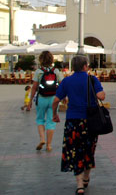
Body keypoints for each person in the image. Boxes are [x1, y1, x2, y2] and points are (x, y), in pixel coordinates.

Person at [51, 55, 105, 194]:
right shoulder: (92, 79)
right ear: (85, 66)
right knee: (89, 149)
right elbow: (101, 96)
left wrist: (55, 115)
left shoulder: (67, 81)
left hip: (73, 121)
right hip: (90, 121)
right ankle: (86, 177)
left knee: (75, 151)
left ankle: (80, 184)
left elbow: (56, 100)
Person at [28, 51, 63, 152]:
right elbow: (62, 85)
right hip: (53, 99)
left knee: (40, 119)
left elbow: (34, 87)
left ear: (41, 60)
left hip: (41, 98)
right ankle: (49, 145)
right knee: (51, 122)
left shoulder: (38, 72)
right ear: (52, 59)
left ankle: (42, 139)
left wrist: (30, 101)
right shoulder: (56, 71)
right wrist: (64, 97)